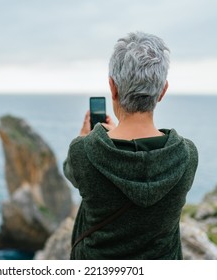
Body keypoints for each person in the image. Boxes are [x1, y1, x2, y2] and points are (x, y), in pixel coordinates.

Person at [63, 31, 198, 259]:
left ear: (112, 87)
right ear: (162, 91)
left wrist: (86, 138)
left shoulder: (83, 151)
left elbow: (72, 171)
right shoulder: (186, 155)